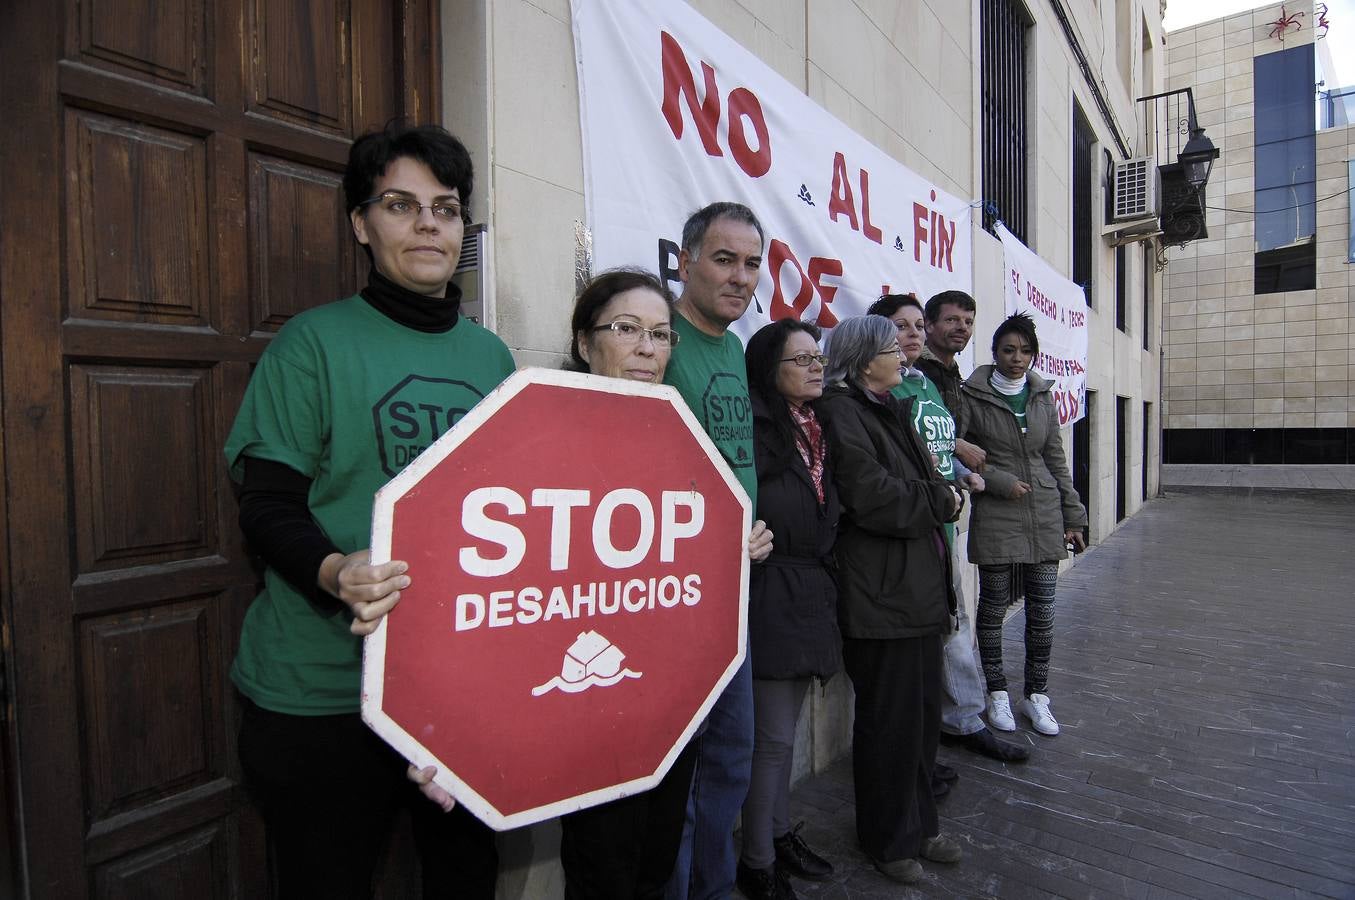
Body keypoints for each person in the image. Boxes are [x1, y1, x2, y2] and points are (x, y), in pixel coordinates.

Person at [225, 124, 512, 898]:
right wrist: (336, 570)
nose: (427, 223)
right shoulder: (311, 344)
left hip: (454, 689)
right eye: (400, 204)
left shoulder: (493, 359)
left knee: (464, 877)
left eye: (445, 209)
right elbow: (268, 504)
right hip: (323, 691)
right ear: (361, 224)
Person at [553, 268, 700, 899]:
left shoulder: (680, 436)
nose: (647, 348)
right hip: (581, 702)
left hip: (665, 697)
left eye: (662, 335)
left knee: (656, 858)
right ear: (586, 344)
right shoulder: (542, 431)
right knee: (603, 866)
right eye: (626, 329)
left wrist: (731, 543)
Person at [813, 315, 964, 886]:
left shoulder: (891, 407)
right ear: (860, 358)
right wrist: (941, 498)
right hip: (880, 598)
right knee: (890, 726)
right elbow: (871, 496)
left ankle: (922, 825)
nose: (903, 351)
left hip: (918, 592)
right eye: (889, 345)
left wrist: (939, 493)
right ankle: (888, 838)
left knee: (923, 724)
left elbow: (922, 484)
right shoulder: (841, 410)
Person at [663, 202, 773, 900]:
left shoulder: (732, 347)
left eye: (752, 263)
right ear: (684, 261)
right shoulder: (655, 338)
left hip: (732, 591)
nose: (740, 277)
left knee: (732, 757)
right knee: (676, 767)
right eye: (724, 259)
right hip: (669, 597)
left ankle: (717, 886)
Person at [876, 292, 1031, 766]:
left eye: (919, 326)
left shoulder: (931, 382)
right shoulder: (882, 390)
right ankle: (956, 727)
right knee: (947, 632)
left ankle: (961, 720)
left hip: (944, 524)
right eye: (905, 327)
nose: (915, 335)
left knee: (956, 625)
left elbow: (939, 449)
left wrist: (964, 476)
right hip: (910, 534)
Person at [736, 320, 842, 900]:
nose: (816, 366)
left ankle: (776, 836)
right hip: (771, 593)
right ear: (769, 370)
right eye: (800, 359)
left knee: (785, 734)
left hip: (810, 595)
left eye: (818, 356)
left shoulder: (816, 429)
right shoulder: (755, 429)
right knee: (772, 740)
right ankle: (756, 863)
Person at [960, 313, 1088, 737]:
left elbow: (1055, 458)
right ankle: (996, 692)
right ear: (995, 352)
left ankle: (1037, 696)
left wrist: (1075, 515)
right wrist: (997, 482)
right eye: (1009, 350)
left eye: (1026, 351)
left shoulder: (1041, 396)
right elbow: (955, 451)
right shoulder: (971, 396)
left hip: (1045, 511)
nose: (1018, 359)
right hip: (998, 512)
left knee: (1043, 610)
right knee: (994, 608)